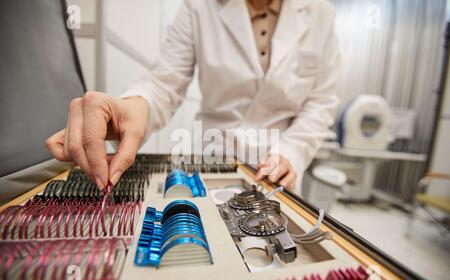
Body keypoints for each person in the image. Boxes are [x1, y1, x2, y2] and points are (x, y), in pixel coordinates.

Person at [45, 0, 340, 192]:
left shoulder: (320, 12)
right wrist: (130, 108)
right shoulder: (198, 7)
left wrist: (291, 152)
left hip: (279, 168)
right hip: (214, 160)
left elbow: (322, 100)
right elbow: (164, 83)